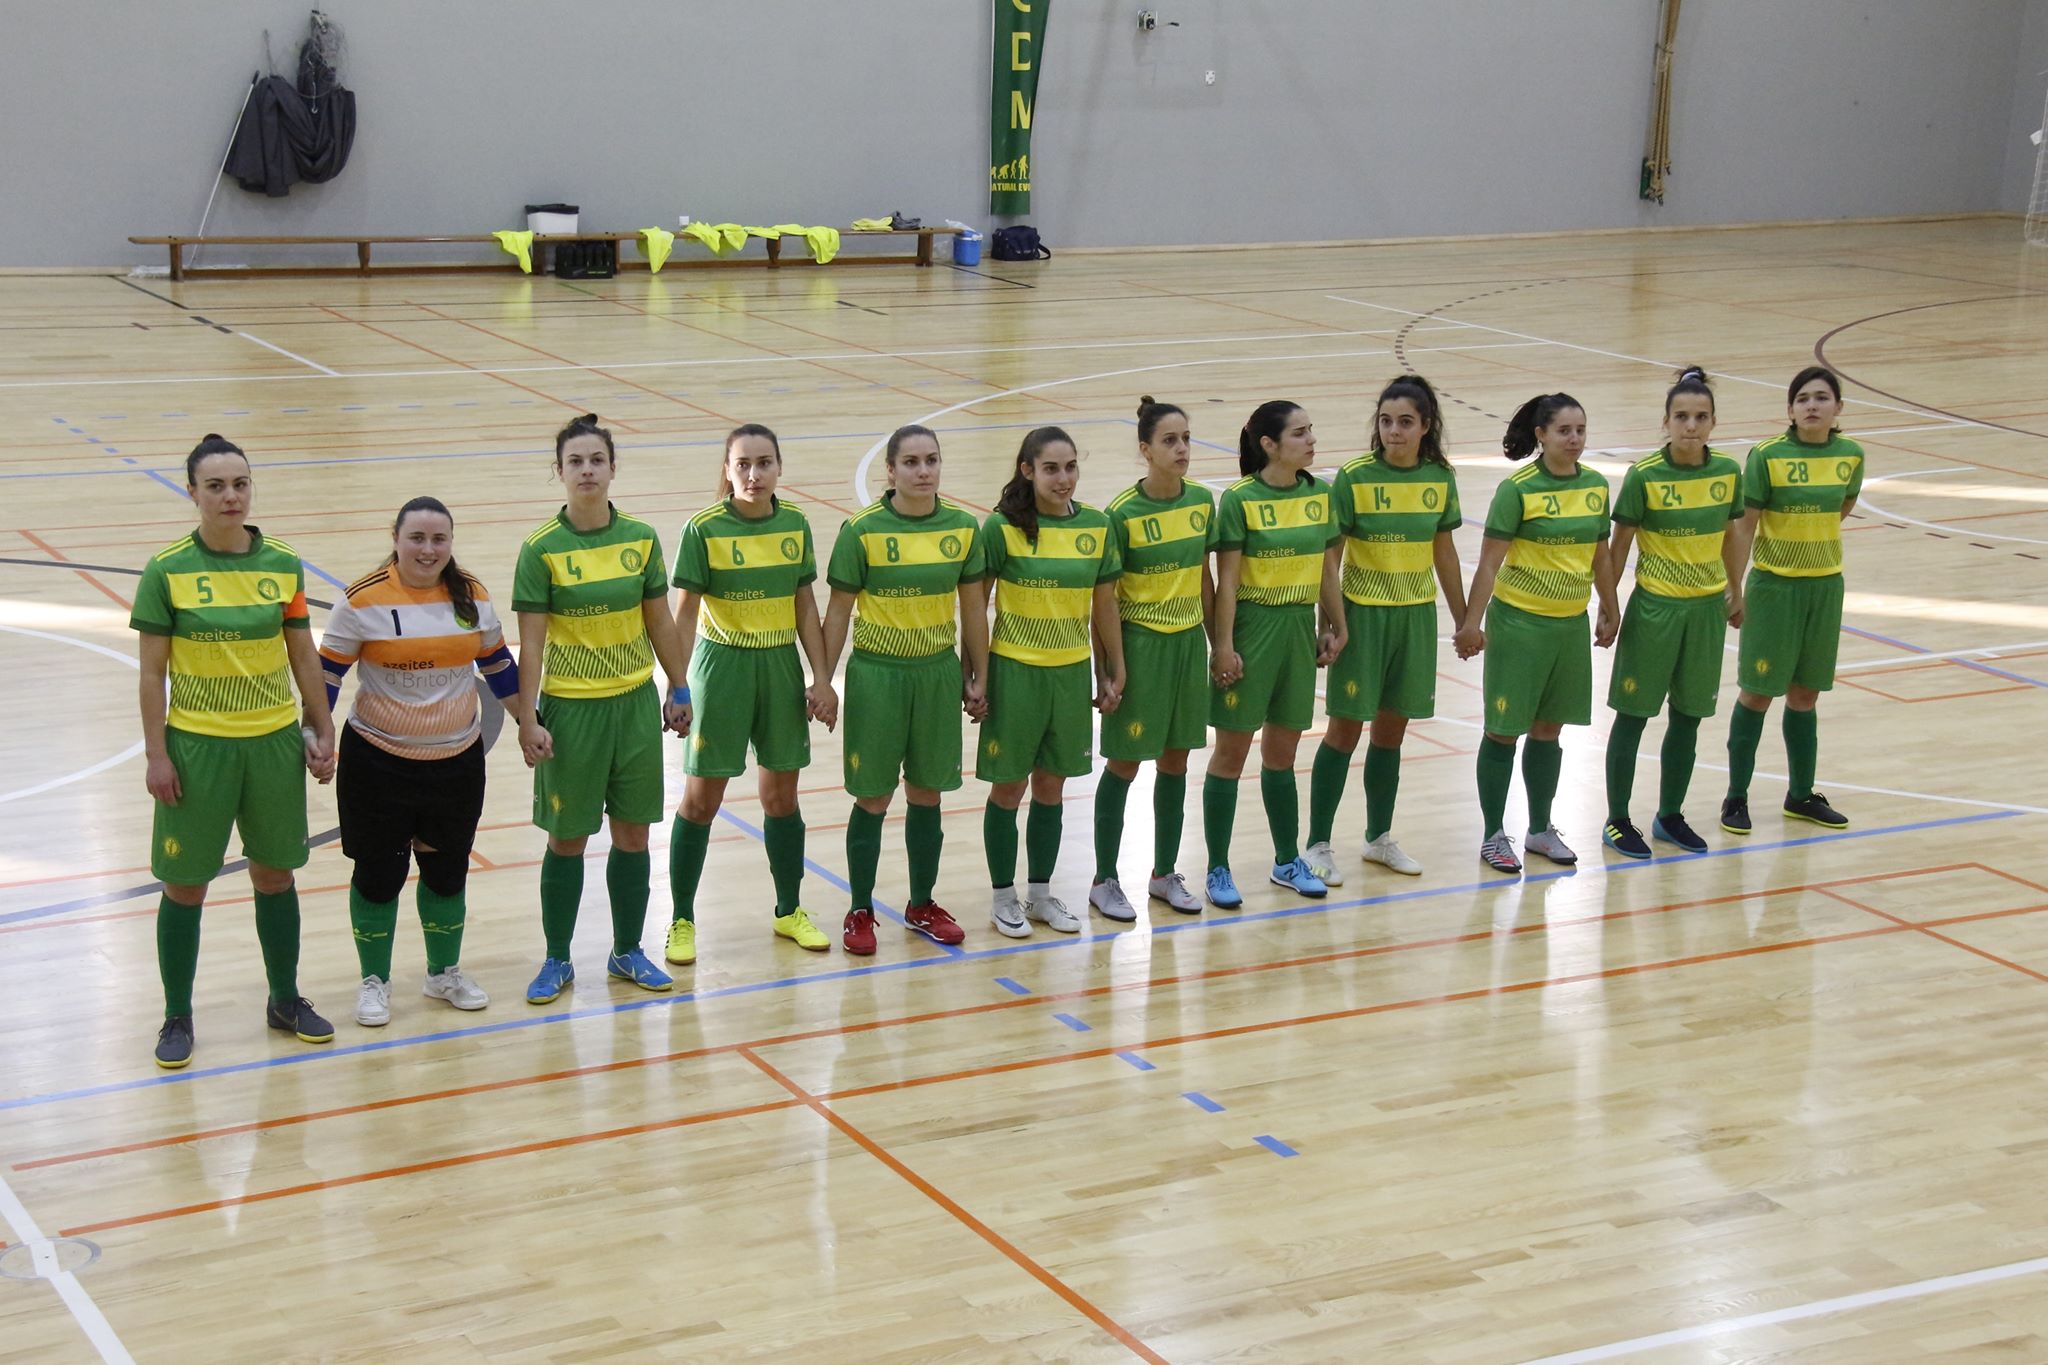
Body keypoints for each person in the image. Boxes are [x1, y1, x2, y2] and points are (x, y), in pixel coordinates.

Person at [132, 434, 337, 1069]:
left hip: (273, 745)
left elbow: (303, 651)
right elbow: (149, 674)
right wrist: (157, 754)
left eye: (240, 483)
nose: (230, 495)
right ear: (191, 492)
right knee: (185, 885)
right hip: (197, 749)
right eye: (215, 485)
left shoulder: (281, 562)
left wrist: (320, 724)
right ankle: (177, 1015)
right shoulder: (166, 570)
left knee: (276, 875)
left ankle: (283, 999)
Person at [321, 496, 543, 1026]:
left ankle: (443, 973)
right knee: (378, 874)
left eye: (438, 539)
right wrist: (318, 734)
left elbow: (499, 668)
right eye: (416, 538)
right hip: (377, 761)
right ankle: (374, 981)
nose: (428, 549)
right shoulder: (361, 602)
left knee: (446, 872)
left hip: (455, 761)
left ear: (450, 543)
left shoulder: (471, 598)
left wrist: (527, 723)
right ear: (395, 539)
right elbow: (325, 676)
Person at [512, 414, 691, 1005]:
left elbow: (659, 619)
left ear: (612, 468)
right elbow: (530, 642)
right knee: (567, 839)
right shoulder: (541, 549)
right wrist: (529, 717)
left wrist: (678, 684)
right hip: (570, 712)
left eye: (596, 460)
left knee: (633, 836)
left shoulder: (639, 539)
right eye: (575, 462)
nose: (587, 470)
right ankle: (558, 958)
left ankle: (626, 951)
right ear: (559, 473)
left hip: (635, 706)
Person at [666, 423, 838, 960]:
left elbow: (805, 605)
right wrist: (677, 684)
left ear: (780, 467)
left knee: (781, 798)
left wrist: (823, 677)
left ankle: (789, 911)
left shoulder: (795, 525)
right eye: (743, 464)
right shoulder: (703, 529)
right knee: (700, 801)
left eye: (764, 463)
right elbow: (686, 613)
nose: (754, 474)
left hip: (780, 668)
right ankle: (681, 920)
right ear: (727, 469)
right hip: (721, 671)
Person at [821, 424, 988, 955]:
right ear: (889, 471)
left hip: (937, 674)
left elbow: (973, 612)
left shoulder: (962, 528)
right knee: (873, 795)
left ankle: (921, 904)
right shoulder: (863, 530)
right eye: (911, 462)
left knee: (927, 792)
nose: (923, 471)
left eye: (931, 460)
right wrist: (824, 680)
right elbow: (838, 613)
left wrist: (976, 674)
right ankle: (860, 909)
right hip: (877, 675)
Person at [1305, 374, 1466, 882]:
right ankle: (1317, 844)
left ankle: (1378, 839)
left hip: (1415, 617)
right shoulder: (1354, 477)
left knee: (1392, 732)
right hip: (1363, 617)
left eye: (1405, 423)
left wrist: (1465, 618)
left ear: (1426, 427)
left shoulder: (1439, 478)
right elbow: (1331, 555)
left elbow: (1444, 550)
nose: (1393, 432)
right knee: (1345, 729)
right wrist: (1329, 620)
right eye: (1386, 421)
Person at [1455, 393, 1619, 874]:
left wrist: (1609, 606)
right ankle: (1492, 833)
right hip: (1519, 625)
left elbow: (1600, 554)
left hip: (1570, 624)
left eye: (1581, 431)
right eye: (1564, 431)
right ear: (1541, 435)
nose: (1574, 440)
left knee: (1550, 729)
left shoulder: (1594, 488)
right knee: (1504, 731)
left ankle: (1540, 828)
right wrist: (1472, 623)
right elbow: (1489, 563)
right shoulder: (1518, 489)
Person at [978, 426, 1125, 938]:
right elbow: (975, 605)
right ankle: (1003, 898)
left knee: (1052, 786)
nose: (1063, 479)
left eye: (1070, 468)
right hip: (1015, 671)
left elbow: (1104, 606)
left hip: (1069, 671)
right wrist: (974, 671)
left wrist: (1112, 667)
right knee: (1008, 787)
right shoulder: (1001, 529)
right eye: (1051, 469)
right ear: (1027, 471)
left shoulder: (1097, 527)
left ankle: (1040, 895)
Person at [1203, 401, 1345, 908]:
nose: (1311, 441)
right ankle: (1217, 868)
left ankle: (1287, 860)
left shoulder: (1318, 495)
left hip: (1297, 629)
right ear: (1269, 444)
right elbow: (1227, 583)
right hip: (1254, 627)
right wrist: (1222, 647)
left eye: (1311, 431)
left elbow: (1327, 568)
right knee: (1231, 754)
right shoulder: (1240, 500)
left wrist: (1336, 623)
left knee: (1282, 754)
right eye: (1300, 433)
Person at [1600, 367, 1745, 859]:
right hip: (1655, 611)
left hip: (1705, 613)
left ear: (1713, 422)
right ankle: (1618, 819)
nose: (1691, 426)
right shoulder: (1645, 476)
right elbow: (1617, 548)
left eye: (1701, 417)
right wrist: (1610, 605)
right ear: (1665, 422)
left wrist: (1736, 589)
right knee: (1633, 715)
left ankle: (1669, 814)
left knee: (1689, 716)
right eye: (1681, 416)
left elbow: (1734, 534)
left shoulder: (1727, 473)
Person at [1720, 366, 1864, 834]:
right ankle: (1735, 797)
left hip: (1825, 586)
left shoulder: (1851, 456)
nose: (1812, 406)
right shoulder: (1767, 456)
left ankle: (1800, 794)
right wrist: (1735, 587)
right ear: (1789, 409)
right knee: (1758, 693)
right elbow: (1745, 525)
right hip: (1775, 586)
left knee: (1806, 693)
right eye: (1802, 398)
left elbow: (1842, 506)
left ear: (1838, 409)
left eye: (1822, 398)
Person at [1092, 397, 1215, 920]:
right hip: (1141, 647)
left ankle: (1164, 873)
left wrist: (1220, 643)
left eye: (1185, 438)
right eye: (1169, 440)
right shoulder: (1122, 514)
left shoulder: (1203, 502)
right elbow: (1103, 602)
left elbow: (1206, 582)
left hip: (1189, 644)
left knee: (1177, 760)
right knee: (1124, 763)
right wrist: (1109, 669)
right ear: (1145, 450)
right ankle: (1104, 878)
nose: (1181, 448)